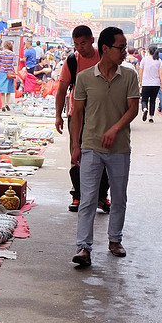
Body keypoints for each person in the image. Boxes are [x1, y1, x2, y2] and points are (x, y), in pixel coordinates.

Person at [70, 27, 139, 268]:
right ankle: (84, 248)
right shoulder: (85, 77)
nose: (124, 52)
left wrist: (115, 129)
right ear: (106, 49)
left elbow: (133, 109)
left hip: (119, 148)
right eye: (120, 47)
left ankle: (115, 240)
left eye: (125, 47)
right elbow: (77, 114)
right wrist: (75, 146)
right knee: (88, 199)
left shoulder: (129, 75)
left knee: (119, 196)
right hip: (90, 146)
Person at [55, 25, 110, 214]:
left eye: (83, 43)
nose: (79, 48)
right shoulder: (72, 61)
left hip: (102, 115)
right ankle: (78, 195)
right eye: (76, 44)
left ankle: (102, 196)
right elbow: (62, 89)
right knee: (76, 154)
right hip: (77, 114)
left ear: (92, 41)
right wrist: (58, 116)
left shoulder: (104, 58)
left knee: (103, 154)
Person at [138, 48, 162, 122]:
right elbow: (161, 73)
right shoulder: (159, 60)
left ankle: (145, 109)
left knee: (144, 99)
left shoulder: (144, 60)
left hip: (146, 83)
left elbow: (141, 71)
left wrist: (140, 81)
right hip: (156, 84)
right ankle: (151, 117)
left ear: (148, 51)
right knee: (153, 100)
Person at [0, 41, 18, 111]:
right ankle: (7, 103)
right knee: (8, 90)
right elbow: (15, 64)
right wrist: (16, 73)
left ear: (4, 46)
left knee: (2, 90)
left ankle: (3, 105)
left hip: (2, 73)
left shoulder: (1, 53)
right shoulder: (13, 54)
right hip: (10, 73)